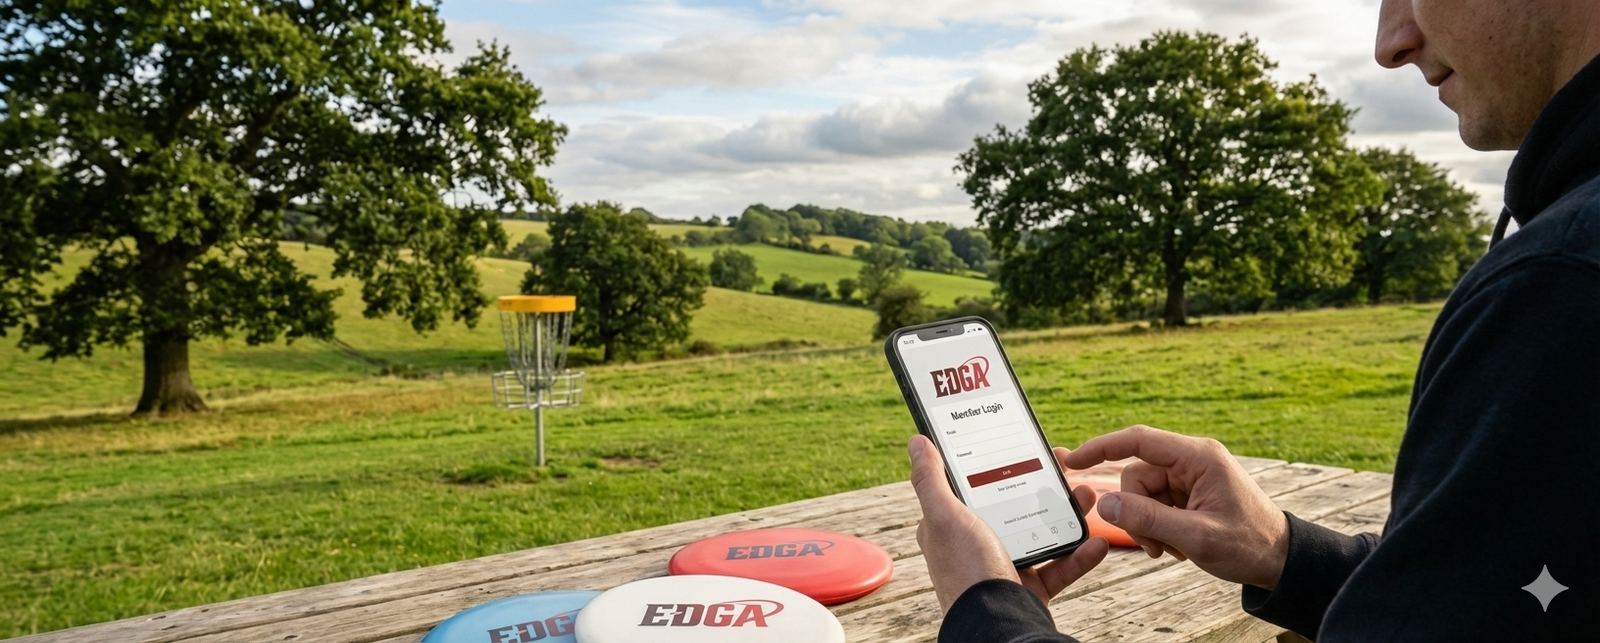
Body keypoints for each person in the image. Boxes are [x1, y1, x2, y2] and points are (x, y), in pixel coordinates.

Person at [910, 1, 1600, 640]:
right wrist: (1282, 550)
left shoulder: (1561, 283)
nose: (1391, 44)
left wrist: (986, 609)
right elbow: (1480, 602)